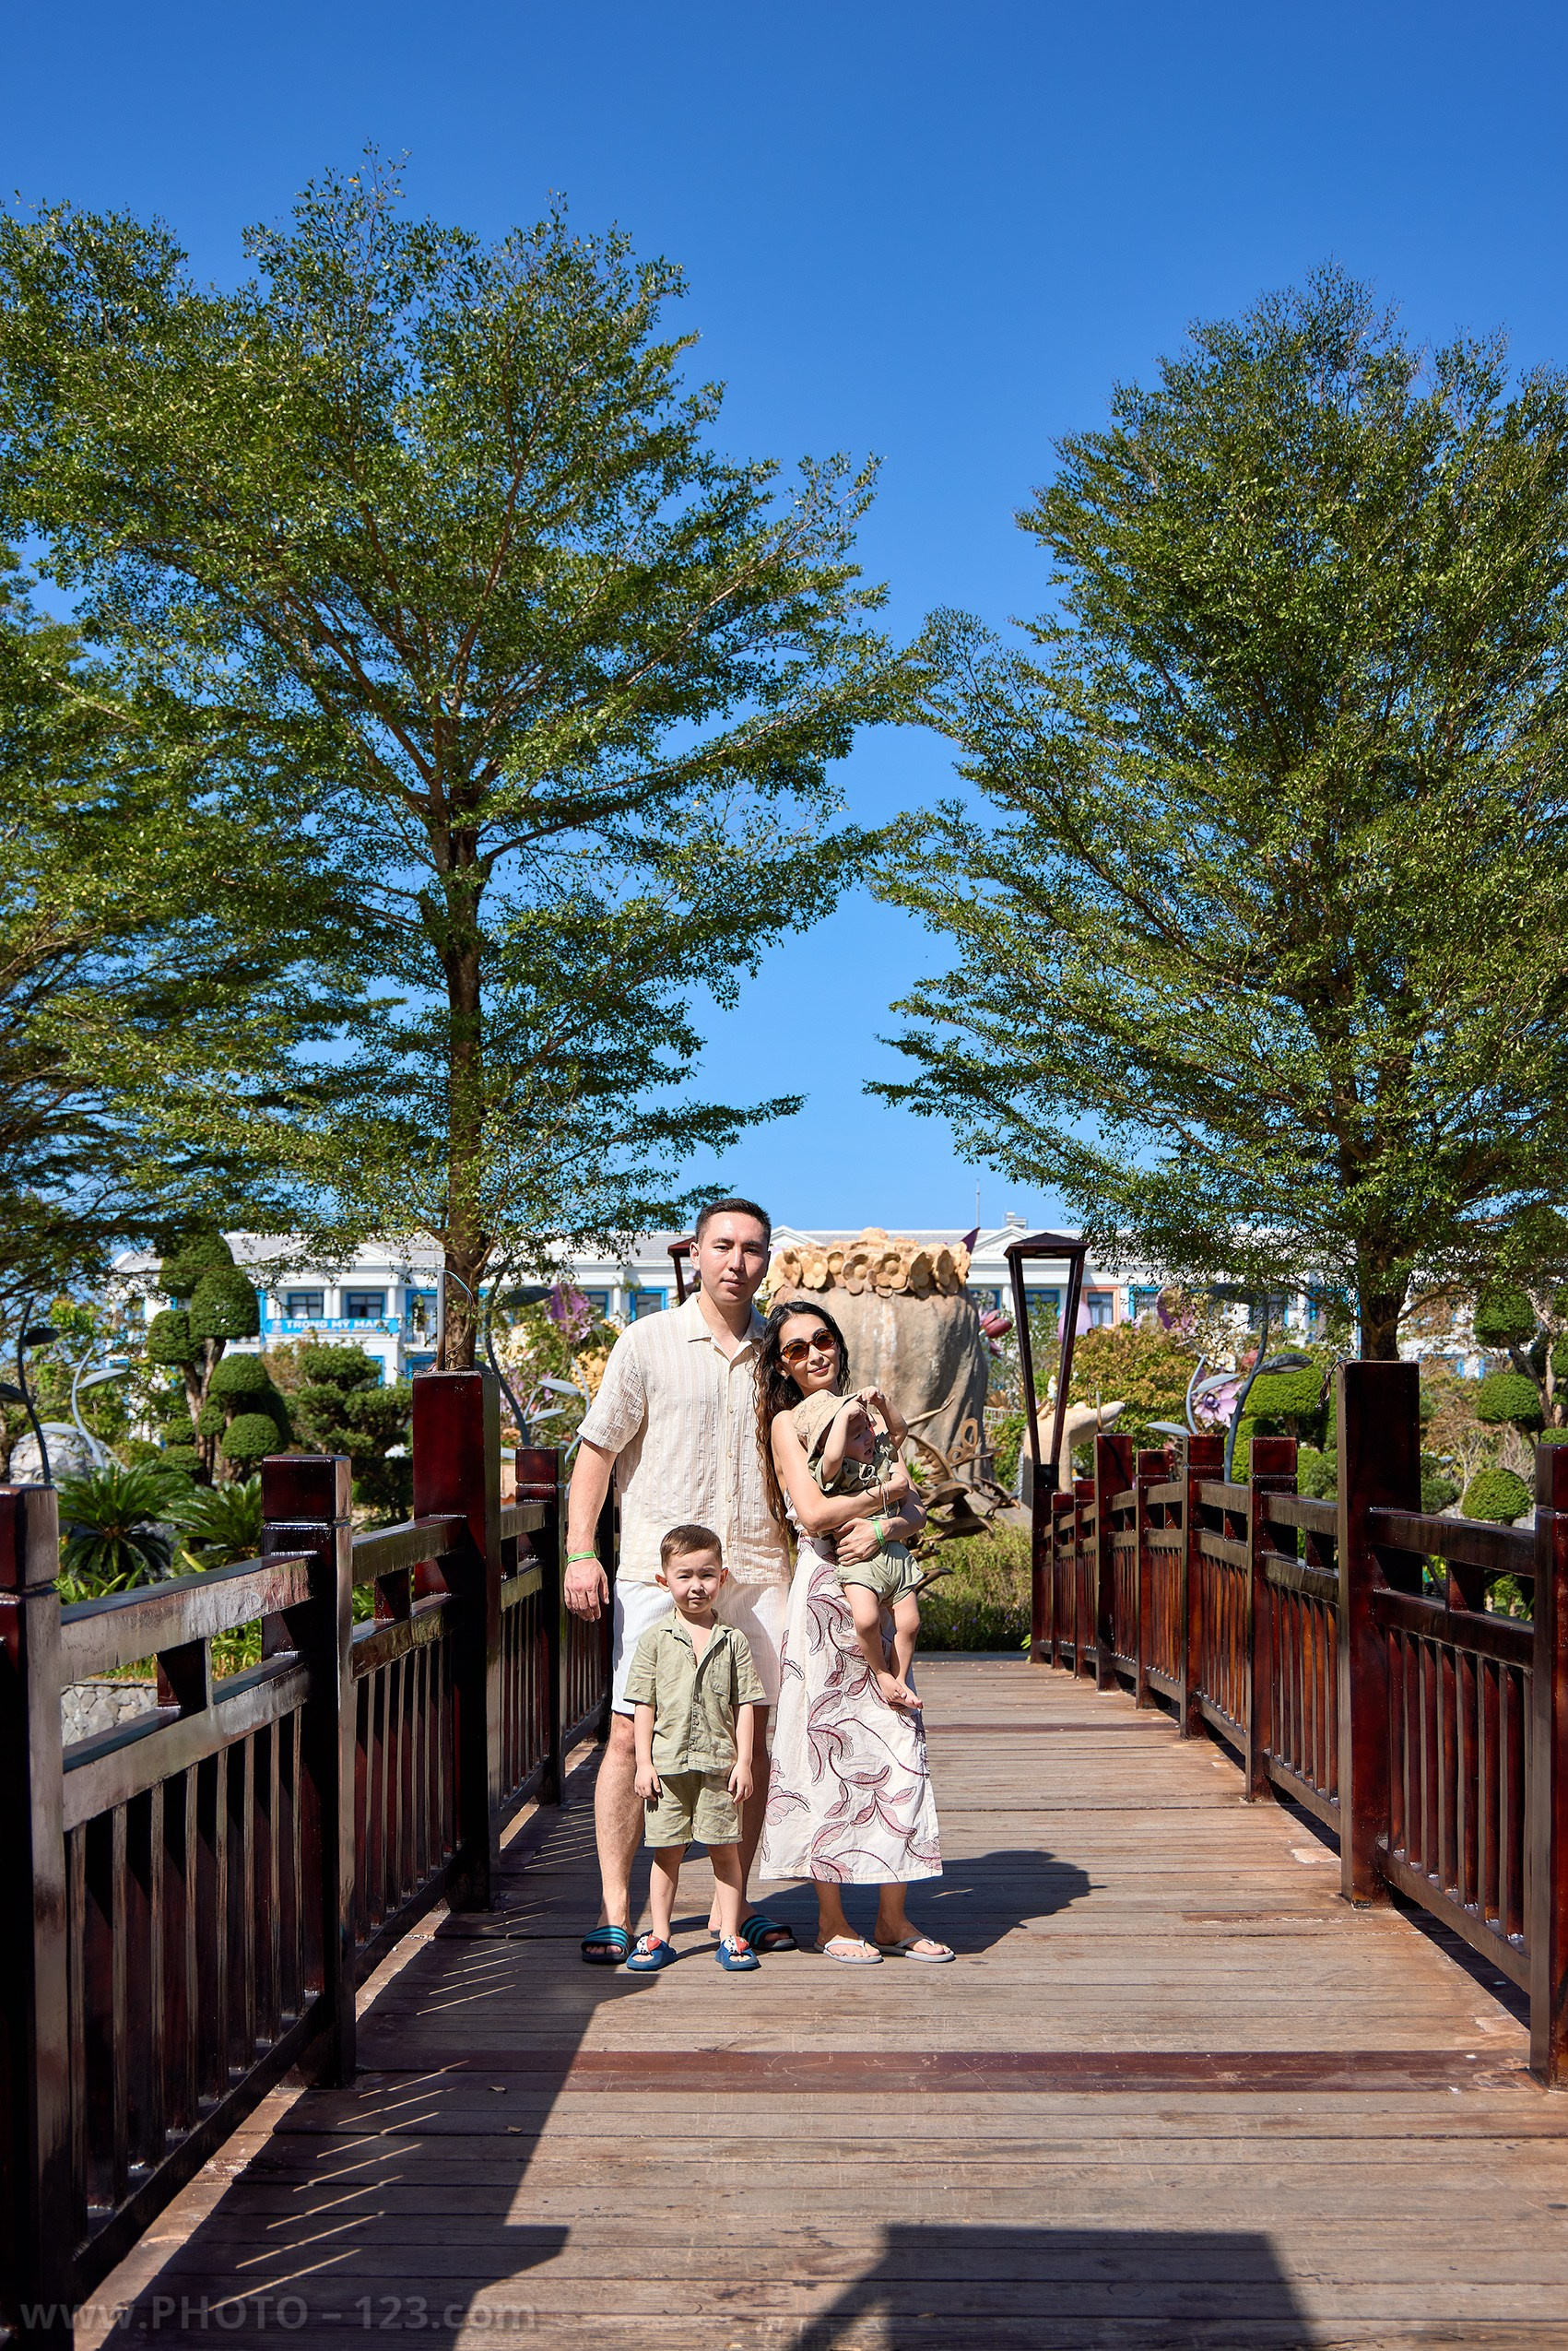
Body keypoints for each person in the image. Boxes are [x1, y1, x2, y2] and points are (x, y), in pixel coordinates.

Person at [564, 1199, 798, 1965]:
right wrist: (579, 1551)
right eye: (722, 1246)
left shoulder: (783, 1351)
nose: (737, 1261)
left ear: (768, 1260)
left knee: (751, 1735)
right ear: (694, 1254)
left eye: (753, 1249)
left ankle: (739, 1906)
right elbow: (597, 1451)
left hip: (757, 1568)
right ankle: (615, 1908)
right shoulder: (647, 1341)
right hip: (658, 1574)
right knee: (628, 1733)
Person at [756, 1301, 953, 1965]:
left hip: (878, 1572)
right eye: (796, 1348)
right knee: (827, 1753)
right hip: (825, 1592)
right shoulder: (788, 1423)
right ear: (781, 1365)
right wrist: (882, 1501)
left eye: (822, 1340)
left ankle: (893, 1919)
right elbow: (813, 1515)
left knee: (897, 1745)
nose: (814, 1354)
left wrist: (884, 1525)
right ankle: (832, 1920)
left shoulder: (867, 1413)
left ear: (837, 1345)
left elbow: (916, 1510)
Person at [624, 1523, 769, 1973]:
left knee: (725, 1850)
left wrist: (744, 1762)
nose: (696, 1586)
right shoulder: (654, 1640)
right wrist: (643, 1763)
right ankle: (660, 1934)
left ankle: (729, 1934)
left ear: (722, 1578)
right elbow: (643, 1705)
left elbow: (746, 1704)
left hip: (719, 1767)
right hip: (667, 1767)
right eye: (684, 1576)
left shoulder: (733, 1641)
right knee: (667, 1851)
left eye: (706, 1575)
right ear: (663, 1580)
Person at [792, 1382, 931, 1708]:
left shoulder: (879, 1454)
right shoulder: (834, 1472)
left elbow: (899, 1431)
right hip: (859, 1562)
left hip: (894, 1554)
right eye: (856, 1435)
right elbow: (832, 1456)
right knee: (866, 1620)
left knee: (910, 1622)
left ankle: (900, 1679)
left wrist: (882, 1404)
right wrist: (843, 1418)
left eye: (866, 1428)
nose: (868, 1437)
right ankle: (881, 1672)